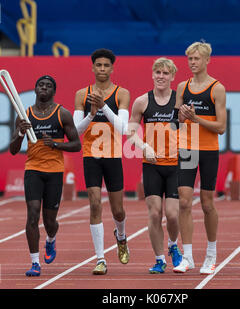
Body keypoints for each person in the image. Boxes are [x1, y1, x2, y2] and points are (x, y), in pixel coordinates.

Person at [9, 75, 81, 277]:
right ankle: (34, 262)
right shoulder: (25, 115)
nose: (44, 88)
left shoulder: (62, 114)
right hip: (33, 169)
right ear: (35, 88)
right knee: (32, 214)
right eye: (41, 85)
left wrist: (56, 144)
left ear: (53, 91)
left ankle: (51, 240)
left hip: (54, 172)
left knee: (50, 221)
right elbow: (13, 150)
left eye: (48, 86)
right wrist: (20, 134)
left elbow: (76, 145)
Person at [73, 48, 130, 275]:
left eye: (107, 65)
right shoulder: (81, 94)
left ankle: (122, 237)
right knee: (95, 204)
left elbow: (124, 129)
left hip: (113, 156)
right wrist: (91, 112)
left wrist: (104, 107)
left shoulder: (121, 93)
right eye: (99, 65)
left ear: (112, 68)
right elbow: (76, 131)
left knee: (118, 211)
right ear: (93, 68)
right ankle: (100, 259)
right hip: (91, 155)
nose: (103, 69)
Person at [172, 42, 227, 274]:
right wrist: (182, 117)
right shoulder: (183, 87)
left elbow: (221, 127)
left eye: (196, 58)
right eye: (190, 59)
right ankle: (188, 257)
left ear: (207, 60)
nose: (193, 62)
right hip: (187, 148)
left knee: (206, 204)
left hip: (208, 150)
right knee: (184, 202)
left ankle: (211, 255)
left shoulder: (217, 88)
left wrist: (197, 119)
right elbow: (175, 122)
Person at [127, 57, 183, 274]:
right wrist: (144, 146)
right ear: (152, 74)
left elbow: (190, 130)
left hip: (175, 164)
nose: (161, 76)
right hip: (151, 165)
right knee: (154, 214)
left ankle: (172, 246)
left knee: (172, 215)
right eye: (157, 72)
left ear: (172, 77)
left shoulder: (180, 101)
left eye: (165, 73)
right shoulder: (142, 102)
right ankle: (160, 259)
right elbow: (131, 133)